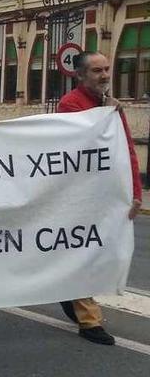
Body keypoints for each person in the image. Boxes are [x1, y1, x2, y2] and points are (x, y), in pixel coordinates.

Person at [56, 52, 143, 346]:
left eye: (107, 69)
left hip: (106, 196)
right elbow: (74, 152)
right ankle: (89, 319)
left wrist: (135, 192)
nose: (105, 75)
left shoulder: (111, 107)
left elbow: (126, 150)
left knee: (96, 252)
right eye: (97, 71)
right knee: (84, 252)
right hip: (80, 198)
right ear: (80, 76)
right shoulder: (71, 105)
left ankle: (68, 292)